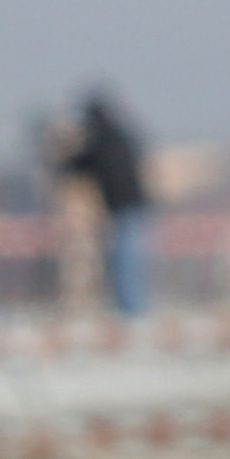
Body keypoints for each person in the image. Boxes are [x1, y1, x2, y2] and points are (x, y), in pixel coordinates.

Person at [71, 85, 158, 321]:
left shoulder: (104, 140)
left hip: (124, 208)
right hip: (130, 207)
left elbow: (83, 164)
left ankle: (131, 312)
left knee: (125, 262)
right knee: (127, 261)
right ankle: (131, 310)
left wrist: (64, 160)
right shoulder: (119, 135)